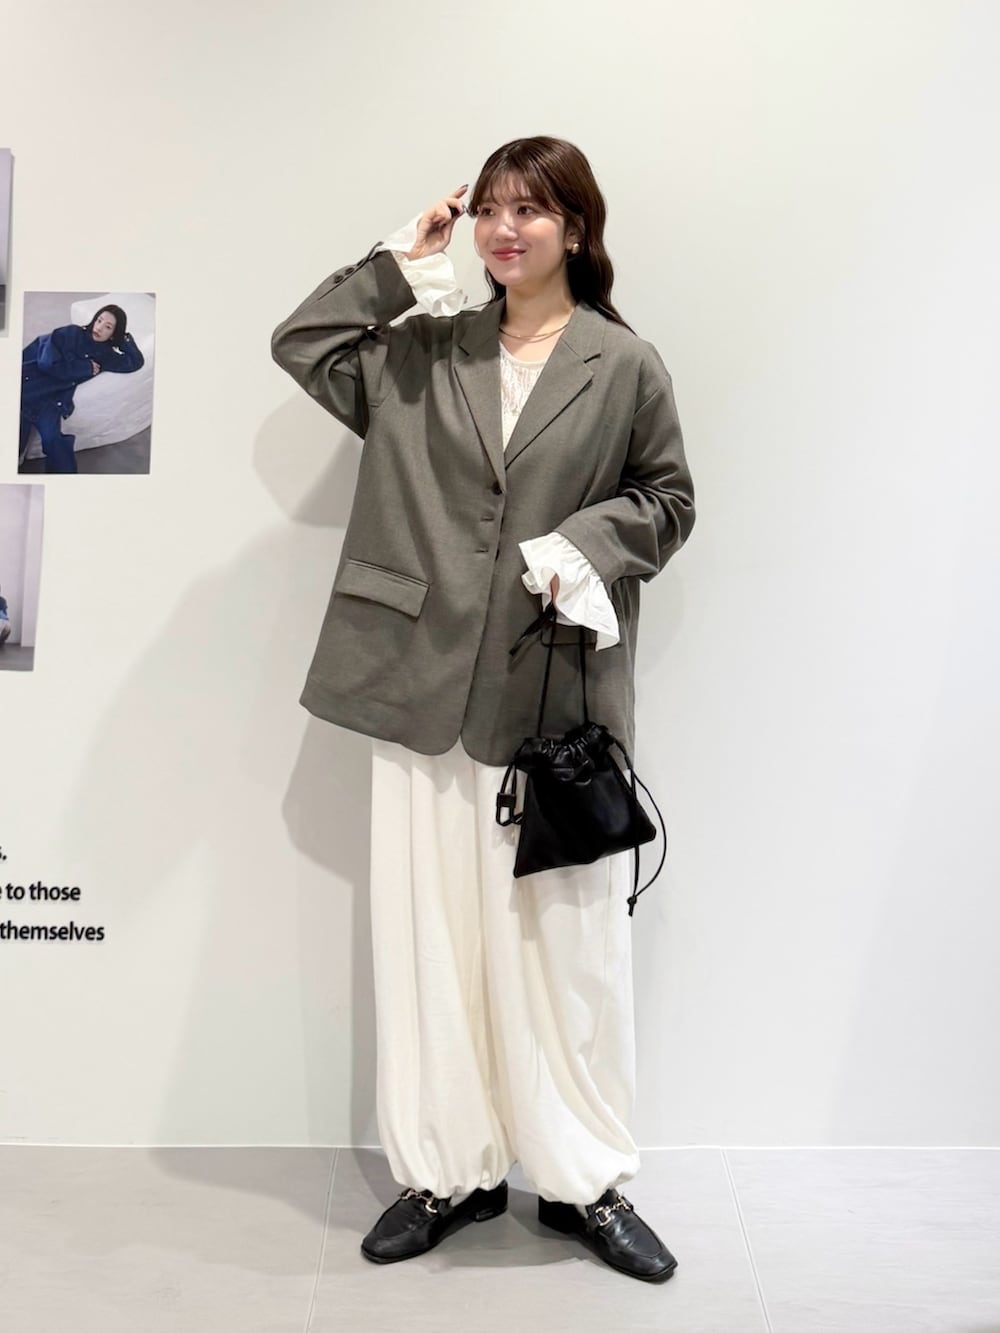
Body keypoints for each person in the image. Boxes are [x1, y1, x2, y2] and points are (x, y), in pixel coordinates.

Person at [272, 136, 695, 1283]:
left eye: (532, 210)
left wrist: (584, 544)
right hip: (419, 684)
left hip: (548, 695)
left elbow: (666, 499)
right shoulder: (422, 350)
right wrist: (398, 262)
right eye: (491, 211)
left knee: (565, 951)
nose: (505, 230)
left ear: (575, 228)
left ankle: (584, 1181)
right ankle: (446, 1171)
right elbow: (303, 344)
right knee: (431, 941)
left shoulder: (624, 363)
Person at [19, 304, 144, 473]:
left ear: (114, 333)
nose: (99, 327)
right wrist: (83, 367)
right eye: (99, 320)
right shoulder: (72, 333)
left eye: (108, 327)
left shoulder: (106, 356)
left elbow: (135, 362)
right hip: (29, 385)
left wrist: (124, 339)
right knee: (14, 431)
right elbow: (47, 363)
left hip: (51, 401)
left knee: (53, 440)